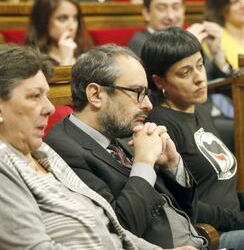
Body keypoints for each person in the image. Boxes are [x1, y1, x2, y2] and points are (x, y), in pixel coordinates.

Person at [45, 44, 244, 249]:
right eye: (137, 93)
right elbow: (120, 230)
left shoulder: (122, 133)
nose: (148, 105)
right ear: (95, 94)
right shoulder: (64, 150)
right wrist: (144, 164)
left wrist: (174, 165)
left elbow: (188, 212)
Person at [0, 44, 185, 250]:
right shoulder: (13, 162)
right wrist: (144, 163)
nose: (50, 108)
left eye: (47, 95)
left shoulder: (43, 152)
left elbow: (109, 228)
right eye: (35, 96)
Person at [142, 27, 244, 250]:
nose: (199, 78)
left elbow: (213, 185)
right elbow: (181, 203)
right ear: (160, 81)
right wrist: (241, 220)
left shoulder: (201, 112)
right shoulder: (160, 124)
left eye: (200, 65)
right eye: (185, 73)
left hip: (235, 225)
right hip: (209, 236)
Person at [128, 0, 235, 152]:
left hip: (205, 112)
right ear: (146, 12)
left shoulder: (190, 37)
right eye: (162, 8)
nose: (171, 16)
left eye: (176, 7)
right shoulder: (142, 43)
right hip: (180, 117)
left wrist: (218, 53)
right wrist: (184, 48)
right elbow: (147, 93)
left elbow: (222, 84)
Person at [25, 0, 92, 66]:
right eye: (63, 19)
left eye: (75, 18)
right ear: (43, 21)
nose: (72, 26)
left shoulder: (85, 52)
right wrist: (66, 60)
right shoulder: (33, 62)